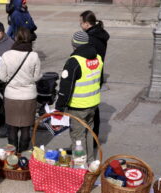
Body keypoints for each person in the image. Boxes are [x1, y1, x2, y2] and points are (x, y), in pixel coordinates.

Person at [55, 31, 103, 163]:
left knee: (77, 136)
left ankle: (80, 165)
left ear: (74, 44)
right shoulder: (97, 57)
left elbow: (66, 88)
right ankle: (90, 161)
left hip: (78, 106)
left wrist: (59, 107)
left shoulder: (74, 62)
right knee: (88, 133)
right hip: (93, 104)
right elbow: (100, 79)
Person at [0, 27, 41, 153]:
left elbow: (2, 77)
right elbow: (37, 77)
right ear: (29, 39)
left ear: (15, 38)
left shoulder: (6, 55)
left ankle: (13, 157)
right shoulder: (33, 56)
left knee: (11, 127)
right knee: (26, 128)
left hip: (11, 96)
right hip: (29, 96)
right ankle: (23, 154)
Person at [80, 10, 110, 145]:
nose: (80, 25)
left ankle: (91, 137)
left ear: (86, 24)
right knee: (93, 105)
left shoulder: (90, 38)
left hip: (89, 75)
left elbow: (85, 57)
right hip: (97, 73)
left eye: (81, 23)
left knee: (88, 106)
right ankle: (94, 136)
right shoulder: (100, 34)